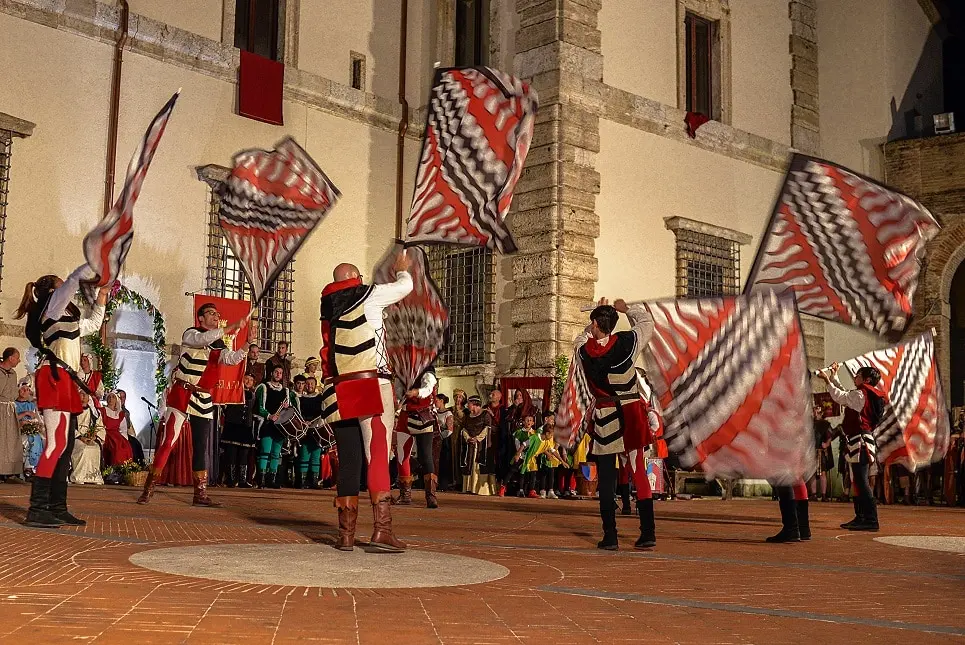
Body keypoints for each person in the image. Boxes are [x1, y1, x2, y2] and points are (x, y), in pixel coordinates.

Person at [320, 253, 413, 552]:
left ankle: (345, 536)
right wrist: (402, 271)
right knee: (376, 456)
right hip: (370, 382)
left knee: (348, 461)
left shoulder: (328, 306)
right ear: (357, 279)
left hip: (338, 388)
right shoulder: (366, 295)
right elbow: (404, 288)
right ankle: (381, 531)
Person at [15, 272, 108, 527]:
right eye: (61, 286)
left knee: (65, 447)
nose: (68, 291)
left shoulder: (68, 320)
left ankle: (57, 506)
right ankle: (37, 508)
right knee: (55, 445)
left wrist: (102, 296)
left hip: (64, 379)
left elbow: (92, 324)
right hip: (54, 376)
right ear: (53, 292)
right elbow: (69, 286)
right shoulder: (52, 309)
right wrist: (89, 267)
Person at [138, 301, 247, 506]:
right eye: (211, 313)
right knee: (168, 440)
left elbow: (231, 359)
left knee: (200, 446)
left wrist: (247, 345)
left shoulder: (218, 343)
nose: (215, 316)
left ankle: (200, 494)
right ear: (200, 318)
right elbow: (203, 339)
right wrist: (231, 327)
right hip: (182, 392)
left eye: (217, 314)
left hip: (203, 397)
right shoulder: (191, 334)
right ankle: (149, 488)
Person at [574, 297, 657, 551]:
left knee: (608, 478)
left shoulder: (584, 351)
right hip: (631, 412)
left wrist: (594, 324)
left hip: (606, 415)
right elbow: (646, 322)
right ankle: (648, 533)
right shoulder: (626, 342)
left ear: (596, 324)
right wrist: (623, 309)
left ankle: (610, 536)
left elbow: (580, 338)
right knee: (639, 472)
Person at [820, 364, 886, 531]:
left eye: (857, 375)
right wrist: (834, 376)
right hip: (858, 440)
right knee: (857, 480)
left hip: (860, 441)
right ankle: (861, 517)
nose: (855, 377)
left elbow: (841, 397)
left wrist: (827, 380)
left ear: (867, 379)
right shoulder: (863, 394)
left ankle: (871, 519)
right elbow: (846, 395)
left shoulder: (861, 394)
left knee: (861, 480)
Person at [394, 368, 441, 508]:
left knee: (426, 456)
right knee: (402, 454)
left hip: (423, 415)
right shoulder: (402, 370)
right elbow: (397, 391)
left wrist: (416, 392)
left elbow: (428, 387)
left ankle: (431, 496)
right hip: (405, 415)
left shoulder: (427, 368)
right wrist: (397, 401)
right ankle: (405, 494)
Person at [253, 366, 298, 489]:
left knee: (276, 454)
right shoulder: (263, 387)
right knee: (265, 451)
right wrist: (269, 416)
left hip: (279, 427)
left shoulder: (286, 391)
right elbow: (259, 407)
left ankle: (271, 479)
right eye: (276, 372)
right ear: (272, 373)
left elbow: (289, 410)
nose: (278, 374)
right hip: (267, 424)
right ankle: (261, 479)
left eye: (280, 373)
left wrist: (285, 408)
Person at [221, 374, 257, 488]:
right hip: (233, 426)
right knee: (231, 453)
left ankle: (242, 480)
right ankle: (230, 479)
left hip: (246, 427)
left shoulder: (253, 395)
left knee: (244, 454)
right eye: (246, 379)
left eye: (251, 380)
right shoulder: (233, 391)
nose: (248, 381)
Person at [460, 395, 496, 495]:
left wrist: (478, 438)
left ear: (475, 404)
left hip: (481, 445)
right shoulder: (468, 416)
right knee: (469, 463)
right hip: (470, 444)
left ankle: (480, 489)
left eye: (469, 404)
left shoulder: (485, 415)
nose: (468, 406)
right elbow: (463, 429)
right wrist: (468, 438)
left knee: (479, 464)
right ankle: (469, 488)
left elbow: (487, 428)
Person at [70, 391, 105, 485]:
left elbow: (100, 426)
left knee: (95, 448)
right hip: (76, 438)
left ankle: (94, 477)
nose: (84, 396)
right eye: (81, 394)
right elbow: (70, 427)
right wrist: (81, 437)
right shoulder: (72, 411)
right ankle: (78, 476)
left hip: (90, 438)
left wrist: (94, 436)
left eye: (86, 394)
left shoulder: (95, 412)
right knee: (84, 449)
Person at [0, 348, 24, 483]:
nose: (19, 360)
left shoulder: (13, 373)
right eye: (17, 357)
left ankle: (11, 472)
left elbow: (13, 392)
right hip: (1, 408)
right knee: (2, 440)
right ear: (10, 358)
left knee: (12, 440)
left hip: (10, 409)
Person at [16, 379, 43, 478]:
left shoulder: (31, 405)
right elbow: (12, 419)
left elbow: (37, 419)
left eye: (27, 390)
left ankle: (30, 467)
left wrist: (34, 424)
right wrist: (25, 413)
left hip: (31, 430)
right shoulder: (13, 404)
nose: (25, 391)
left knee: (36, 439)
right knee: (27, 440)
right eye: (23, 389)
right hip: (18, 430)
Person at [101, 392, 134, 466]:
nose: (110, 399)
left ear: (116, 400)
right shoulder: (102, 411)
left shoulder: (120, 414)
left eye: (113, 397)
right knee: (116, 449)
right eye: (109, 397)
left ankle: (124, 469)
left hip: (117, 436)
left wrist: (125, 440)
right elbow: (99, 425)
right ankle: (112, 469)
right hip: (106, 435)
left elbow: (123, 429)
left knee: (126, 448)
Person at [810, 405, 834, 501]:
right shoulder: (809, 423)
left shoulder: (825, 424)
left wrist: (827, 443)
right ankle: (814, 494)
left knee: (822, 473)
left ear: (821, 413)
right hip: (811, 452)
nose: (816, 413)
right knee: (811, 474)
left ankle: (824, 495)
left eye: (818, 412)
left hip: (821, 451)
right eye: (814, 411)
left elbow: (830, 435)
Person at [116, 390, 145, 465]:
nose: (122, 399)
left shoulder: (126, 412)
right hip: (115, 434)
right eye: (120, 397)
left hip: (124, 434)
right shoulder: (111, 410)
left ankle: (138, 466)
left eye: (124, 397)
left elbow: (128, 426)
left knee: (136, 443)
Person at [435, 393, 455, 491]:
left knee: (444, 462)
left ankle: (443, 484)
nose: (435, 402)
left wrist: (440, 436)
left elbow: (450, 430)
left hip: (444, 441)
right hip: (434, 441)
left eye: (437, 400)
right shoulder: (434, 413)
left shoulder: (448, 413)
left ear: (442, 401)